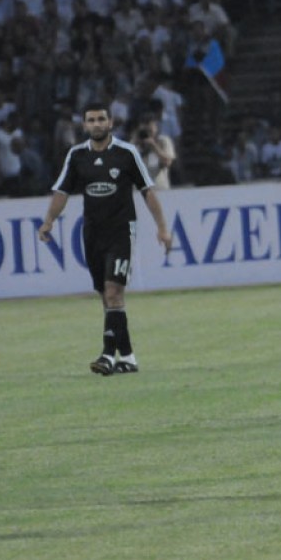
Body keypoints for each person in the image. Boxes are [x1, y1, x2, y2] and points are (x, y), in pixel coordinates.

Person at [38, 102, 173, 375]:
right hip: (92, 233)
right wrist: (49, 220)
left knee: (113, 292)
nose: (97, 124)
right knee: (106, 297)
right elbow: (62, 191)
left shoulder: (127, 153)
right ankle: (129, 358)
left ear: (110, 123)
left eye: (101, 119)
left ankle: (107, 355)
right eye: (91, 120)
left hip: (121, 231)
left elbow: (147, 191)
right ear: (84, 125)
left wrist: (162, 228)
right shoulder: (77, 155)